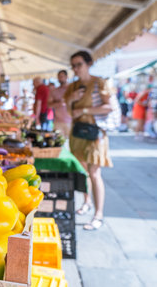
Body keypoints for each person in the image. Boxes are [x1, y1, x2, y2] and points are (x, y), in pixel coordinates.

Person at [64, 51, 113, 231]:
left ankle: (98, 214)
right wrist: (72, 99)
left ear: (89, 63)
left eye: (79, 64)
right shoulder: (72, 87)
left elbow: (109, 107)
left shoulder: (100, 83)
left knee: (94, 173)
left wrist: (84, 110)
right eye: (73, 65)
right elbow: (70, 112)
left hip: (95, 133)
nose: (76, 69)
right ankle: (87, 202)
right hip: (77, 133)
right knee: (83, 170)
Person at [49, 70, 72, 137]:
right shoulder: (54, 91)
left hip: (71, 121)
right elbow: (49, 105)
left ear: (66, 77)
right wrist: (60, 103)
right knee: (58, 143)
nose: (60, 78)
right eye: (59, 77)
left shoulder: (72, 89)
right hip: (58, 122)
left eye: (62, 76)